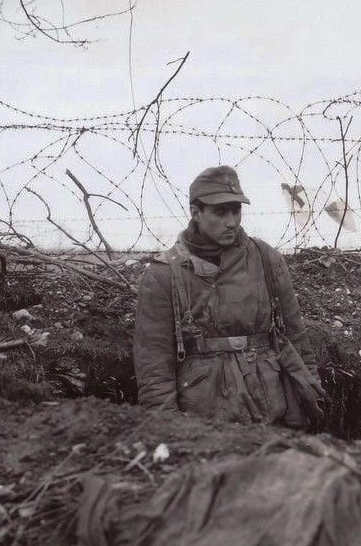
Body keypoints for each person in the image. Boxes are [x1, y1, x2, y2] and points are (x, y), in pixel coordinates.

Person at [134, 165, 323, 424]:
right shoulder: (165, 274)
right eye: (220, 212)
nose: (231, 222)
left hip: (271, 409)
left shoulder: (266, 259)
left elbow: (296, 336)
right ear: (196, 213)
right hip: (202, 418)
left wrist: (312, 397)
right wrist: (168, 427)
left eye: (236, 211)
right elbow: (154, 362)